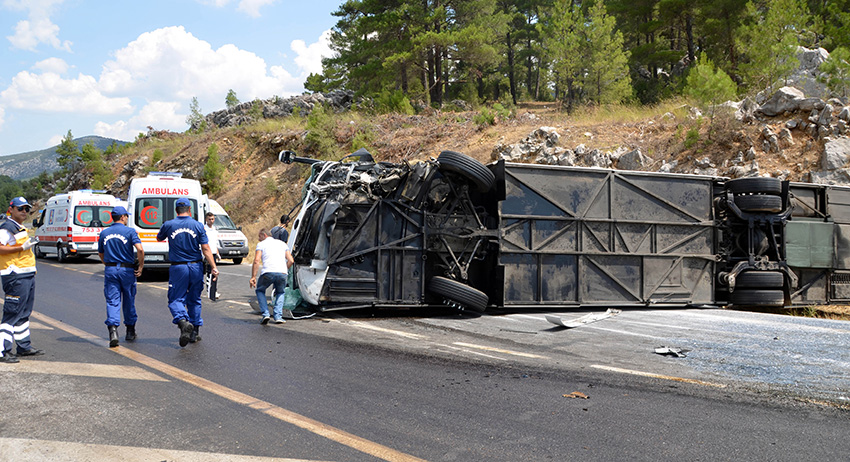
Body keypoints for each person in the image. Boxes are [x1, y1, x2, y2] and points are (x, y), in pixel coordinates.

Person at [156, 198, 218, 347]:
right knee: (194, 299)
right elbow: (205, 248)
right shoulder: (197, 225)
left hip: (178, 267)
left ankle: (183, 322)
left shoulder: (169, 225)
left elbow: (159, 238)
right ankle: (194, 332)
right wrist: (214, 266)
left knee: (176, 299)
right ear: (190, 210)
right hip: (196, 266)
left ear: (176, 210)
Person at [0, 197, 43, 363]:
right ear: (11, 209)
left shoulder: (20, 227)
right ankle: (2, 351)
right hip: (15, 275)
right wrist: (21, 247)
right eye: (20, 208)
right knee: (12, 313)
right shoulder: (7, 227)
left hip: (26, 274)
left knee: (24, 313)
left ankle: (24, 346)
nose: (24, 212)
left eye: (26, 209)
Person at [98, 205, 144, 348]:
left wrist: (107, 264)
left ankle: (113, 331)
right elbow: (140, 249)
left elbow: (100, 252)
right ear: (123, 217)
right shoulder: (130, 231)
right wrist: (141, 266)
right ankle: (130, 331)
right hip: (127, 270)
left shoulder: (104, 233)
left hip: (111, 269)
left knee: (113, 300)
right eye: (126, 216)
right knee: (129, 299)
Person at [249, 228, 293, 324]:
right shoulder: (282, 244)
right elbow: (291, 260)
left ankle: (266, 314)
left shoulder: (261, 244)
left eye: (259, 236)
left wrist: (253, 277)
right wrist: (284, 269)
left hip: (268, 272)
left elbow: (256, 260)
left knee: (260, 290)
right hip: (282, 272)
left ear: (264, 235)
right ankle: (278, 317)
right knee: (280, 292)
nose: (258, 239)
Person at [203, 212, 221, 300]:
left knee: (214, 272)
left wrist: (217, 253)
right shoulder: (204, 229)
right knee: (209, 272)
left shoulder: (214, 229)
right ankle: (209, 291)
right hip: (207, 253)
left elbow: (215, 242)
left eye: (212, 219)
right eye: (209, 219)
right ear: (206, 220)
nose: (211, 221)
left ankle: (214, 290)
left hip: (213, 252)